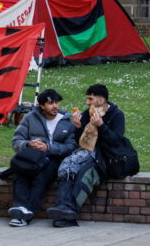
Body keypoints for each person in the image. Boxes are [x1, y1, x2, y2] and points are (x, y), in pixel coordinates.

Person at [47, 84, 126, 228]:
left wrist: (101, 125)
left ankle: (70, 211)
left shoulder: (116, 115)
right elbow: (80, 143)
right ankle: (63, 208)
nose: (87, 102)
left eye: (90, 99)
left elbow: (116, 142)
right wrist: (77, 127)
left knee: (85, 173)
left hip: (105, 159)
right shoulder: (87, 113)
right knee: (69, 167)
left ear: (101, 101)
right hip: (86, 154)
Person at [8, 89, 76, 227]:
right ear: (42, 106)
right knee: (21, 175)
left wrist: (49, 148)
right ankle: (20, 207)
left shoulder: (67, 122)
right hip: (33, 157)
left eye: (56, 102)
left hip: (54, 159)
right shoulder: (30, 118)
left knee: (41, 178)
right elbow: (16, 141)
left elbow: (71, 147)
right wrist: (28, 144)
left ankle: (27, 213)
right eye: (50, 103)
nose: (55, 106)